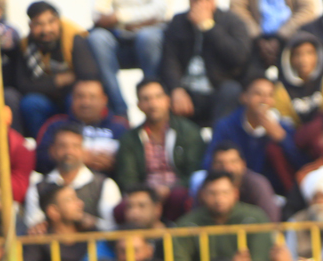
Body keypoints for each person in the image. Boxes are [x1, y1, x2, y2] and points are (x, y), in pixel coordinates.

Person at [114, 79, 206, 220]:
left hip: (178, 191)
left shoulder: (189, 131)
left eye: (158, 97)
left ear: (167, 100)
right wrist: (147, 193)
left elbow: (194, 172)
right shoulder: (129, 138)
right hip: (145, 194)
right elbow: (127, 178)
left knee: (178, 197)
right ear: (139, 105)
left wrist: (169, 189)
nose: (153, 104)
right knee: (120, 210)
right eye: (146, 99)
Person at [173, 170, 275, 261]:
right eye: (212, 193)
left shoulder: (255, 218)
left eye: (225, 192)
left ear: (235, 193)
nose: (219, 199)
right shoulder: (188, 224)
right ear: (202, 195)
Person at [203, 74, 303, 197]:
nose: (264, 100)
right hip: (230, 188)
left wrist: (284, 139)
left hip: (273, 192)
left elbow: (301, 164)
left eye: (269, 95)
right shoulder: (226, 126)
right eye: (258, 94)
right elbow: (208, 162)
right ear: (244, 97)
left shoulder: (283, 128)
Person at [11, 1, 100, 137]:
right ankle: (43, 145)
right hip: (46, 100)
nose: (46, 29)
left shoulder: (74, 37)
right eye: (39, 24)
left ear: (58, 20)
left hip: (70, 97)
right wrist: (57, 81)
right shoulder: (26, 46)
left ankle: (77, 142)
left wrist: (44, 84)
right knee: (30, 103)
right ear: (30, 25)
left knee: (79, 98)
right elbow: (23, 85)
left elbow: (87, 76)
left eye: (51, 22)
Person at [161, 0, 252, 128]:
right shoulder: (179, 21)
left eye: (205, 0)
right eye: (195, 1)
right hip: (186, 90)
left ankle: (221, 140)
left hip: (217, 88)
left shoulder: (232, 21)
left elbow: (238, 58)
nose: (199, 4)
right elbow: (170, 59)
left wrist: (208, 26)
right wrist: (176, 89)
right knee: (161, 95)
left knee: (232, 90)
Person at [23, 122, 121, 232]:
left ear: (84, 151)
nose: (69, 152)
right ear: (52, 151)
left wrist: (93, 223)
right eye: (62, 146)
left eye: (75, 146)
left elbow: (113, 227)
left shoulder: (105, 184)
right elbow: (33, 226)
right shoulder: (38, 187)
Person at [87, 0, 167, 118]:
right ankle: (119, 112)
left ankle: (153, 103)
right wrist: (133, 19)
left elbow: (159, 10)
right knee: (97, 39)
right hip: (117, 36)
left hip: (148, 33)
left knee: (148, 38)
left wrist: (121, 16)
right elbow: (98, 15)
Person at [34, 79, 128, 176]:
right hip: (63, 183)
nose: (86, 103)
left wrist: (117, 163)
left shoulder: (120, 126)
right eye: (80, 96)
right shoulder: (56, 124)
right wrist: (77, 158)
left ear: (104, 100)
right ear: (72, 99)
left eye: (92, 97)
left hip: (111, 182)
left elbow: (134, 161)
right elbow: (38, 159)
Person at [206, 140, 282, 222]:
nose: (227, 168)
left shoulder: (257, 184)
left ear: (243, 164)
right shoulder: (207, 185)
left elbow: (271, 220)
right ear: (212, 165)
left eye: (233, 162)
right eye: (220, 163)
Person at [229, 0, 317, 67]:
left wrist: (280, 37)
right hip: (254, 43)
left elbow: (307, 10)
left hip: (291, 41)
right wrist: (257, 37)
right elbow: (237, 8)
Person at [274, 32, 323, 126]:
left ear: (318, 55)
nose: (303, 59)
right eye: (297, 54)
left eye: (309, 53)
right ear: (288, 58)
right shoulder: (281, 89)